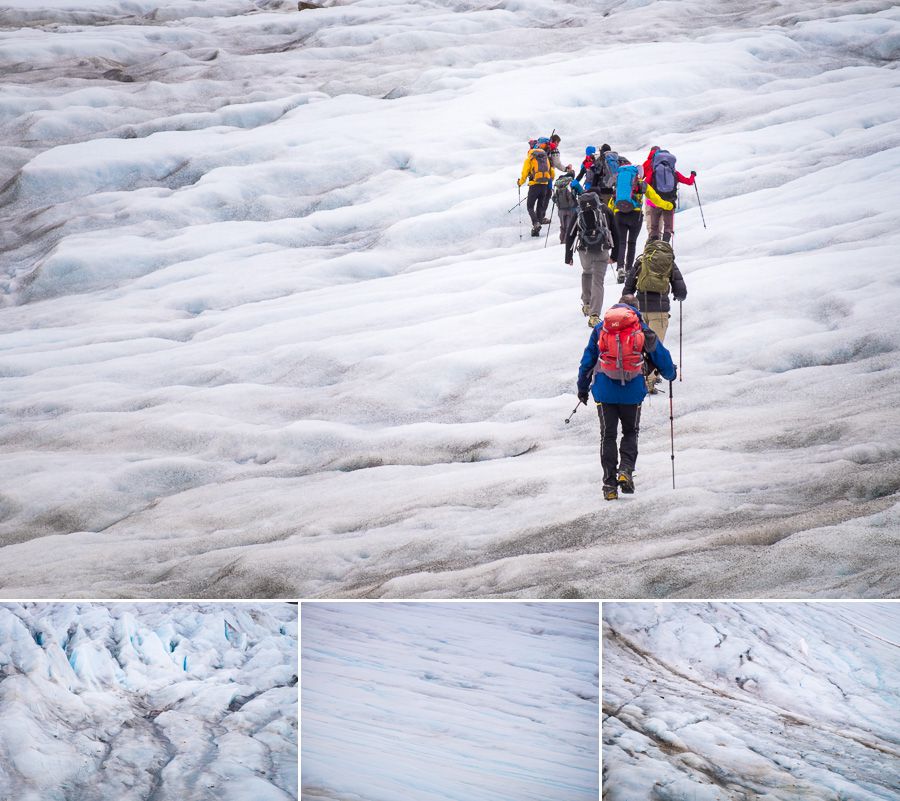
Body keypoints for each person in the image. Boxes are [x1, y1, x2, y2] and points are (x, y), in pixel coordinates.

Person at [577, 295, 677, 500]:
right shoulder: (641, 328)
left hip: (604, 391)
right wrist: (671, 374)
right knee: (631, 432)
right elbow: (661, 356)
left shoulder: (602, 328)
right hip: (632, 391)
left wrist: (582, 388)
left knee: (608, 436)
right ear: (635, 310)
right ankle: (625, 470)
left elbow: (588, 360)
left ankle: (609, 486)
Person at [623, 240, 686, 393]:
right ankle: (649, 381)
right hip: (660, 310)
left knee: (638, 345)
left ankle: (639, 376)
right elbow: (681, 292)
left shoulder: (641, 261)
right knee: (654, 347)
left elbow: (627, 289)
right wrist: (678, 297)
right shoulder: (669, 262)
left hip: (641, 309)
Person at [609, 159, 674, 283]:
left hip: (619, 215)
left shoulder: (619, 183)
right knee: (632, 243)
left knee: (622, 242)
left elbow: (611, 201)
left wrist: (612, 213)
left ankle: (620, 268)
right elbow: (656, 199)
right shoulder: (641, 184)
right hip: (635, 215)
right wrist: (668, 206)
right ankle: (628, 270)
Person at [564, 189, 612, 327]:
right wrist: (615, 255)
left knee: (587, 273)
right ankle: (594, 315)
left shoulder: (579, 211)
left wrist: (568, 256)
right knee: (598, 282)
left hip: (584, 251)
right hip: (602, 250)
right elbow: (615, 230)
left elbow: (570, 234)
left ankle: (586, 303)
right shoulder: (604, 210)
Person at [642, 145, 696, 243]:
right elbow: (689, 182)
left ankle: (654, 247)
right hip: (669, 203)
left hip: (654, 202)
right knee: (668, 227)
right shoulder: (674, 172)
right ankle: (665, 247)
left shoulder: (653, 170)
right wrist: (693, 175)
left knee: (654, 228)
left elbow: (644, 184)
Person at [517, 138, 555, 236]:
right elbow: (552, 172)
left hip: (534, 186)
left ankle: (536, 223)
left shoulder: (529, 159)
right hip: (544, 187)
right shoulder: (545, 158)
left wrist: (520, 183)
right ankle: (536, 229)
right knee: (539, 207)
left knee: (530, 206)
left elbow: (524, 173)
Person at [552, 165, 577, 244]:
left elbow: (553, 198)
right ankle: (566, 242)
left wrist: (557, 203)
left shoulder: (557, 184)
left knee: (563, 226)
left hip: (561, 210)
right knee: (569, 226)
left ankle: (562, 240)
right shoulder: (572, 182)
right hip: (571, 208)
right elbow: (578, 193)